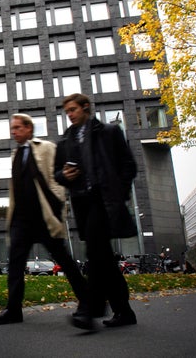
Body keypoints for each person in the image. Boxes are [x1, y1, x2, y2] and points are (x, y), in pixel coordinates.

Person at [0, 114, 90, 327]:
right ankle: (13, 310)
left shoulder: (46, 147)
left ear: (28, 128)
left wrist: (57, 208)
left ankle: (87, 300)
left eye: (17, 127)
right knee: (15, 264)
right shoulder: (15, 153)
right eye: (12, 128)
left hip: (43, 216)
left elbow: (57, 179)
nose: (13, 131)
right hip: (21, 219)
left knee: (64, 260)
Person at [54, 93, 138, 328]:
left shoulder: (109, 132)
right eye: (67, 111)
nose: (70, 115)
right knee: (104, 259)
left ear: (86, 107)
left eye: (73, 109)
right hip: (84, 203)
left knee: (95, 252)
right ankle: (124, 311)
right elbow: (57, 173)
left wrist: (118, 193)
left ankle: (89, 308)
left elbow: (129, 165)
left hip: (105, 201)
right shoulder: (66, 140)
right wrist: (65, 175)